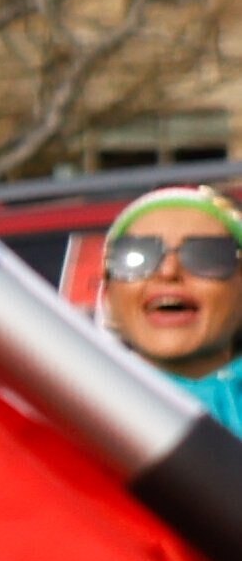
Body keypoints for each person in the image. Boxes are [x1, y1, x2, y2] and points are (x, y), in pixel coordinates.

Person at [92, 182, 242, 434]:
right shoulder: (70, 419)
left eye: (206, 255)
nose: (168, 271)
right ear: (108, 294)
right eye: (136, 256)